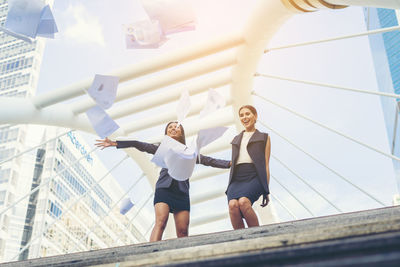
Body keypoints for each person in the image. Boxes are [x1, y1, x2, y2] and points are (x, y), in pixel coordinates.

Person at [95, 121, 230, 241]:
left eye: (177, 127)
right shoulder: (162, 148)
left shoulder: (190, 152)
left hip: (181, 192)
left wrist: (230, 163)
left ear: (181, 133)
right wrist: (116, 143)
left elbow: (208, 161)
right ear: (166, 133)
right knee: (161, 222)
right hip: (164, 189)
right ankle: (150, 256)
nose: (173, 129)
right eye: (170, 127)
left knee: (183, 232)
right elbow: (139, 145)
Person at [226, 105, 271, 229]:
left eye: (247, 114)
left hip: (254, 176)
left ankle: (258, 238)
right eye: (241, 115)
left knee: (244, 202)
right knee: (233, 205)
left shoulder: (264, 137)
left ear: (255, 116)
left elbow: (266, 164)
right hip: (237, 179)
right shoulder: (235, 139)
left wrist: (266, 190)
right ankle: (242, 242)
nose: (244, 117)